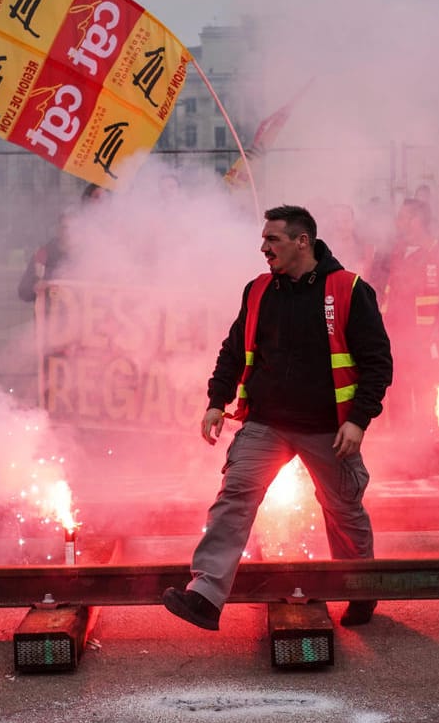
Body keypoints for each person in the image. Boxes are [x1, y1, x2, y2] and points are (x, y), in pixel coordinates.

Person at [162, 205, 393, 631]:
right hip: (265, 423)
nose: (263, 247)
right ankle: (206, 596)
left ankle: (360, 591)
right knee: (234, 497)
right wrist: (217, 400)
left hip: (329, 429)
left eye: (273, 240)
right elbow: (233, 350)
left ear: (302, 241)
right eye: (264, 239)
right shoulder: (258, 290)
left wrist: (358, 420)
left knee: (344, 510)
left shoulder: (348, 289)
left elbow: (378, 364)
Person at [376, 197, 439, 435]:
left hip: (425, 340)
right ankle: (402, 452)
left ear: (418, 220)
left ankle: (425, 452)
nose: (397, 221)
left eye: (403, 217)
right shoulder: (397, 252)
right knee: (398, 393)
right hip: (396, 337)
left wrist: (438, 333)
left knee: (423, 394)